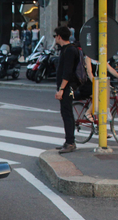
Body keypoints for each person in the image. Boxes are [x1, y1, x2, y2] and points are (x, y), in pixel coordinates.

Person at [53, 26, 80, 154]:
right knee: (65, 113)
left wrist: (62, 89)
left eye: (55, 36)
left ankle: (70, 142)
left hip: (67, 87)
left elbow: (67, 72)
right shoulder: (66, 49)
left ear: (59, 36)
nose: (55, 39)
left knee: (67, 114)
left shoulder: (69, 50)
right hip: (65, 87)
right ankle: (68, 140)